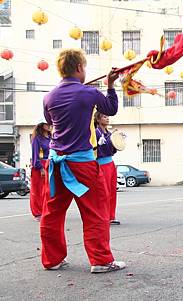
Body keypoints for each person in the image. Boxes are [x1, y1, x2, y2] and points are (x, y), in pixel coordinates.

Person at [40, 49, 125, 273]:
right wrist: (110, 85)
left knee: (53, 212)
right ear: (79, 68)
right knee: (96, 211)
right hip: (81, 163)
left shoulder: (49, 97)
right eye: (84, 67)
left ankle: (52, 259)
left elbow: (50, 120)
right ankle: (100, 260)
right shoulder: (89, 93)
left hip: (56, 161)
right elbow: (111, 108)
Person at [94, 112, 120, 225]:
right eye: (104, 117)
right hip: (101, 164)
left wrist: (117, 141)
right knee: (103, 192)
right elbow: (91, 148)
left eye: (108, 117)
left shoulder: (109, 133)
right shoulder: (95, 133)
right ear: (98, 120)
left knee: (112, 191)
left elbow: (113, 150)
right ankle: (102, 216)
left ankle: (111, 216)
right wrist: (97, 144)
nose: (107, 118)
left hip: (110, 163)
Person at [30, 121, 51, 221]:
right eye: (47, 124)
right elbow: (35, 154)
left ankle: (46, 210)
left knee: (48, 190)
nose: (49, 126)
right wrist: (40, 168)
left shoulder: (51, 138)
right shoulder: (37, 138)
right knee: (38, 190)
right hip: (40, 165)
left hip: (50, 164)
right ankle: (38, 213)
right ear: (41, 126)